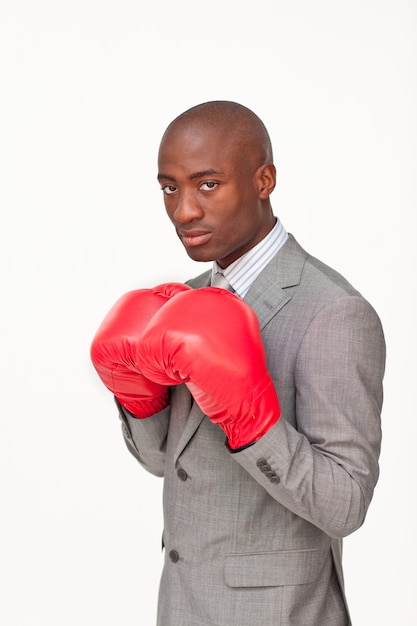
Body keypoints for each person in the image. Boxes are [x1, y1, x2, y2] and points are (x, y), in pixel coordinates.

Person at [90, 101, 386, 626]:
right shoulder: (182, 302)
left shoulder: (333, 313)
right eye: (169, 187)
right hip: (182, 605)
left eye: (207, 185)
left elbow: (346, 505)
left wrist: (254, 425)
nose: (184, 210)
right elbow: (165, 463)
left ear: (264, 179)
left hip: (278, 612)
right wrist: (138, 399)